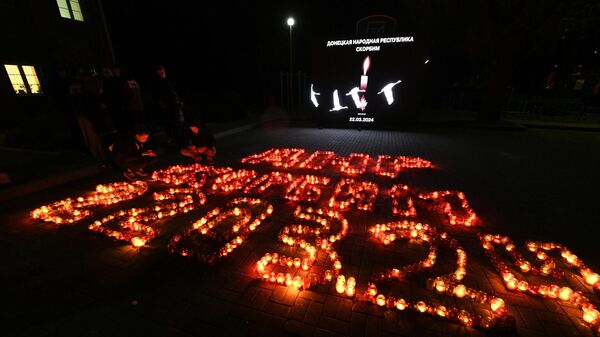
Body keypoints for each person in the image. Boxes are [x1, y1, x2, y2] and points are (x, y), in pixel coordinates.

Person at [149, 64, 185, 146]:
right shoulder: (156, 83)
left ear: (164, 71)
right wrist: (160, 103)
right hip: (166, 106)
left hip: (175, 105)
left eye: (162, 72)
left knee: (178, 122)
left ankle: (180, 138)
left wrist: (180, 101)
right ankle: (171, 138)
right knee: (168, 122)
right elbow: (155, 95)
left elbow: (176, 92)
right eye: (159, 73)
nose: (161, 74)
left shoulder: (169, 81)